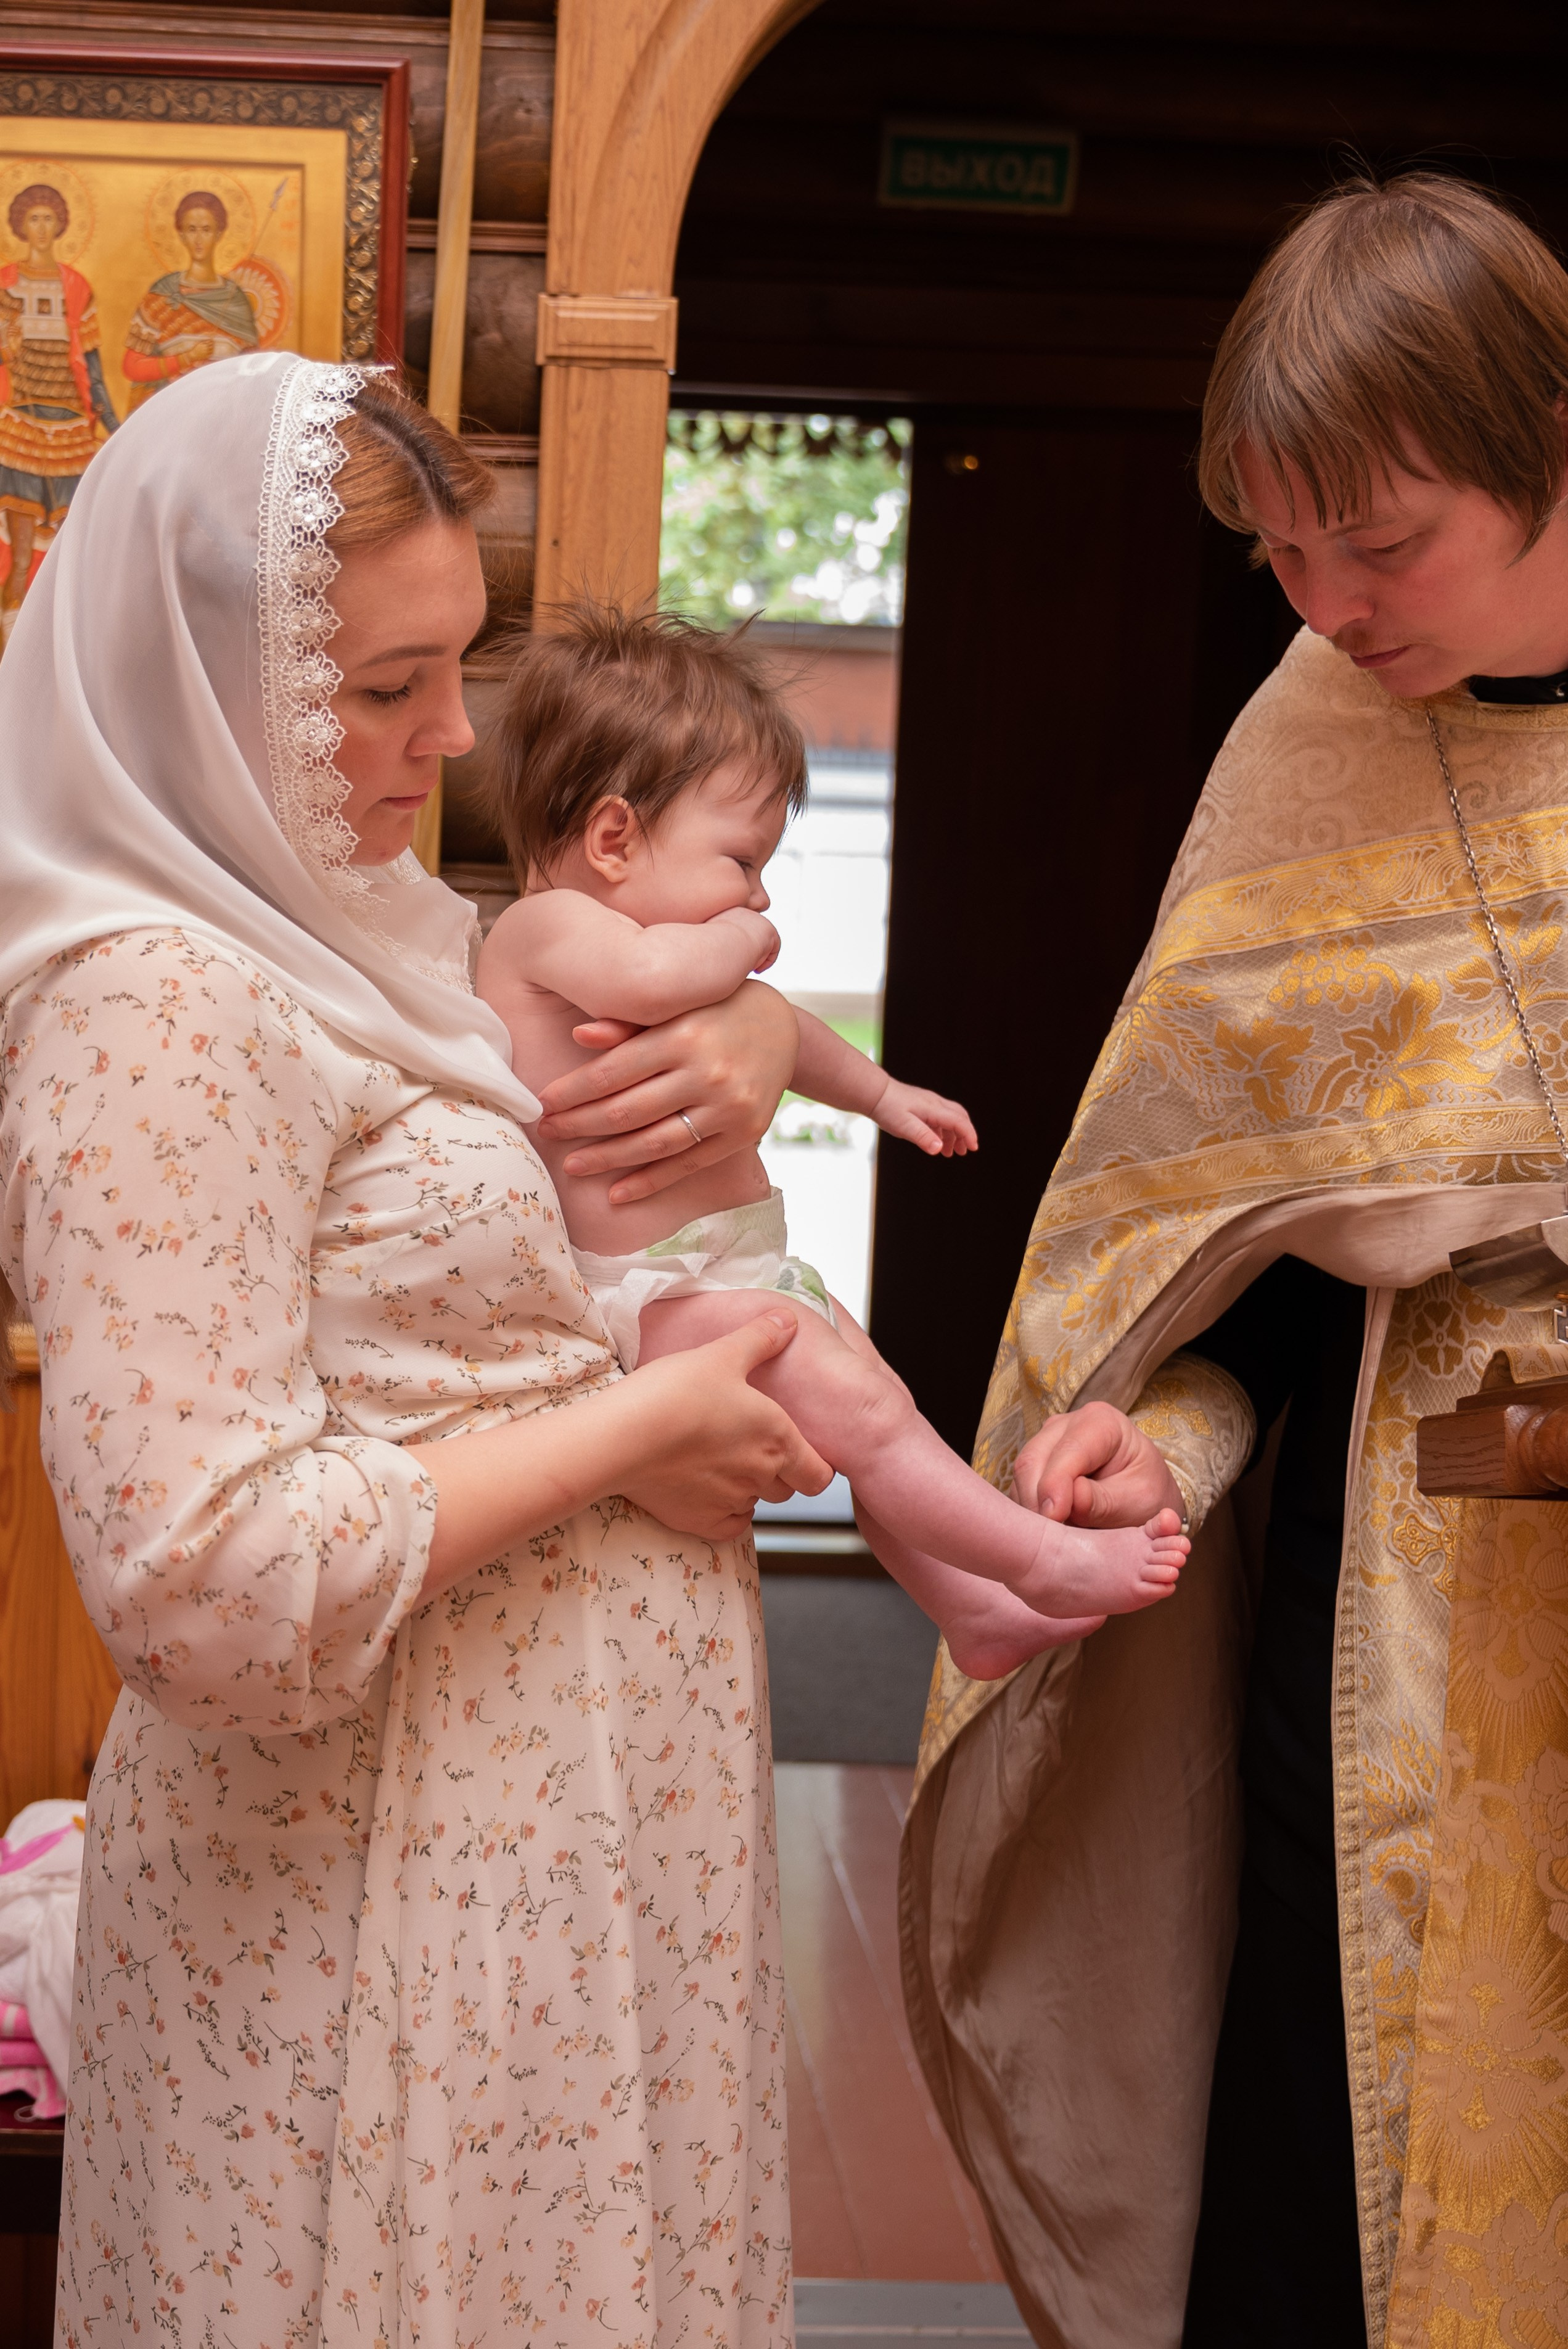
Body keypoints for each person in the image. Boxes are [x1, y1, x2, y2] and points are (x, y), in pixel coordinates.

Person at [0, 352, 866, 2345]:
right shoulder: (148, 1003)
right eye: (385, 687)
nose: (455, 735)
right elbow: (203, 1576)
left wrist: (738, 1034)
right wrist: (637, 1420)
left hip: (531, 1883)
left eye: (455, 665)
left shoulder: (359, 922)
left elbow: (531, 1103)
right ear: (204, 677)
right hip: (354, 1911)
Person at [900, 171, 1568, 2349]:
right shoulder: (1310, 735)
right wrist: (1154, 1446)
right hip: (1385, 1633)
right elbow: (1245, 1262)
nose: (1326, 600)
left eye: (1381, 541)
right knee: (1327, 2175)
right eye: (1276, 545)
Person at [474, 607, 1188, 1673]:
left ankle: (969, 1606)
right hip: (644, 1294)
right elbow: (657, 983)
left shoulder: (660, 940)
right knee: (861, 1408)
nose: (758, 895)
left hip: (729, 1269)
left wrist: (883, 1094)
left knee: (873, 1409)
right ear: (613, 837)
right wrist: (746, 937)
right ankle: (1030, 1557)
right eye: (740, 859)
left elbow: (793, 1036)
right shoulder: (545, 930)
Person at [0, 181, 117, 642]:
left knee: (71, 560)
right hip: (21, 429)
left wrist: (115, 428)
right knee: (22, 557)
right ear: (21, 225)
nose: (42, 228)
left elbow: (92, 366)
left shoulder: (76, 287)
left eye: (50, 218)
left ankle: (61, 656)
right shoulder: (5, 283)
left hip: (70, 431)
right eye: (34, 218)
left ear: (62, 225)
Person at [121, 188, 261, 406]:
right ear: (182, 235)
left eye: (206, 230)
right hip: (172, 411)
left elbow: (254, 372)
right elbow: (132, 366)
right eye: (191, 230)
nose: (198, 239)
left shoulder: (236, 300)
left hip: (222, 411)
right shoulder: (162, 296)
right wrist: (187, 358)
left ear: (218, 234)